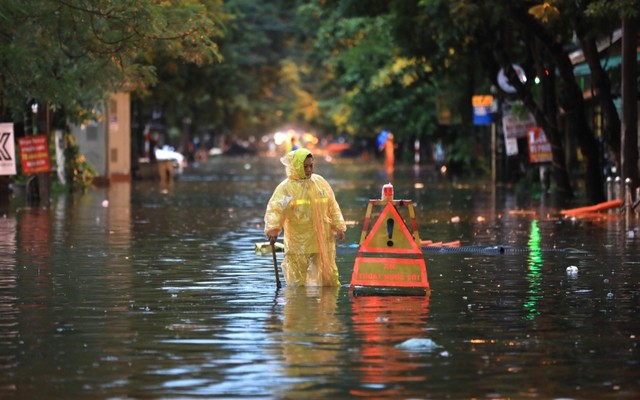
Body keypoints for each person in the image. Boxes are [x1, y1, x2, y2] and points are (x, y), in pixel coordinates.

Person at [264, 148, 346, 286]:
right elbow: (275, 209)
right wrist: (273, 229)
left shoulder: (320, 182)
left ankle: (327, 306)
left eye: (311, 166)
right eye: (305, 166)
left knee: (329, 279)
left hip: (322, 240)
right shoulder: (286, 187)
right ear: (296, 167)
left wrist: (339, 226)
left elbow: (332, 206)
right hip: (298, 242)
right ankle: (298, 306)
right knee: (297, 282)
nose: (309, 170)